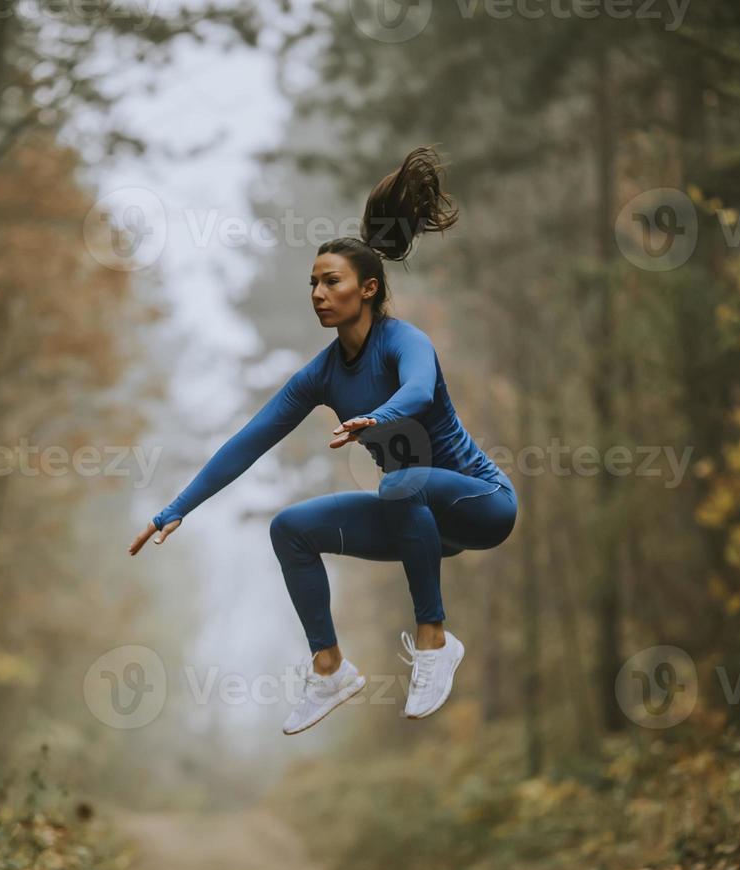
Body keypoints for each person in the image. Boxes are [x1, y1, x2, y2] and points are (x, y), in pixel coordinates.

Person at [127, 146, 517, 735]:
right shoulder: (321, 375)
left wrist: (375, 418)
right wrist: (175, 509)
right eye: (312, 283)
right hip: (417, 520)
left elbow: (415, 392)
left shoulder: (404, 342)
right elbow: (248, 441)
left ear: (367, 288)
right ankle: (329, 668)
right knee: (290, 529)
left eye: (330, 281)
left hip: (482, 505)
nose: (316, 293)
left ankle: (435, 642)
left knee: (400, 481)